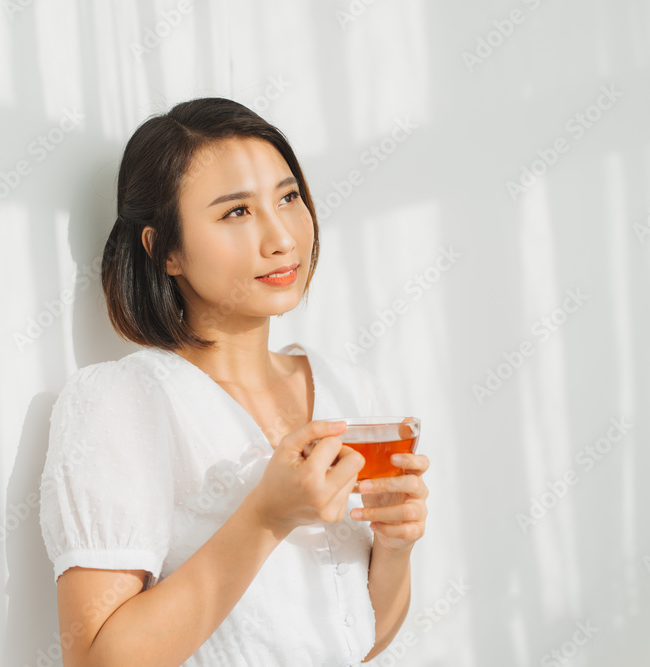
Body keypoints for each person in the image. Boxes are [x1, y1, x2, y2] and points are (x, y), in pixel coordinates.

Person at [38, 97, 430, 666]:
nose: (281, 239)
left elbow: (357, 643)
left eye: (288, 197)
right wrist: (266, 517)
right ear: (165, 249)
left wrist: (395, 548)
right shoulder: (122, 403)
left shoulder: (348, 391)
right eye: (236, 213)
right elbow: (95, 660)